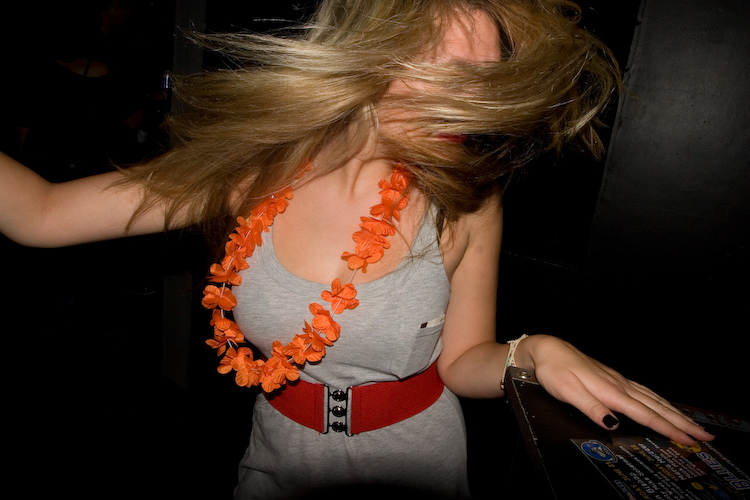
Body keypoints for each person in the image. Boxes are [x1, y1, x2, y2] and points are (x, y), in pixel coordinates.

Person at [0, 0, 713, 498]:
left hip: (416, 474)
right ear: (366, 58)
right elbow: (39, 214)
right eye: (444, 74)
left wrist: (533, 352)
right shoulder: (256, 175)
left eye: (486, 82)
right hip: (274, 465)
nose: (471, 107)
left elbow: (463, 360)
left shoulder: (468, 196)